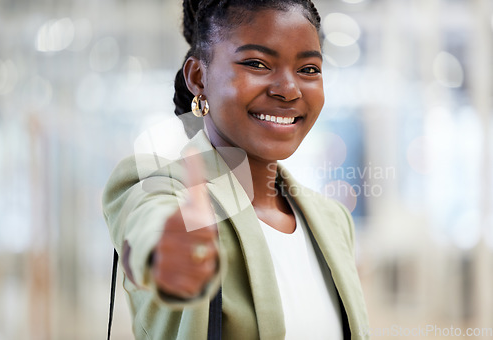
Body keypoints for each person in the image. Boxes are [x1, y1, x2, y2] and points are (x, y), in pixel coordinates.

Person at [102, 0, 370, 339]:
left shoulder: (332, 220)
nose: (289, 90)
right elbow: (152, 223)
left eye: (308, 69)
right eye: (257, 63)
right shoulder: (163, 189)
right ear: (198, 78)